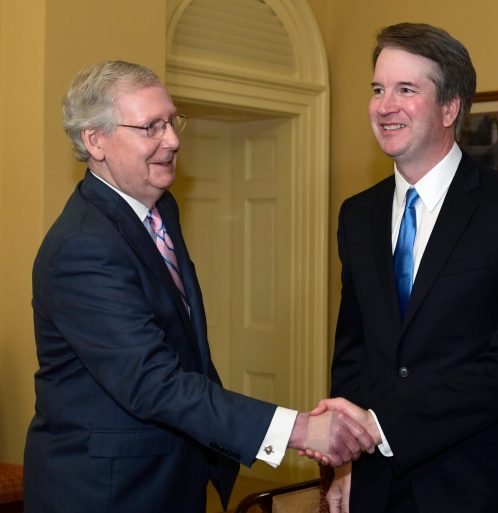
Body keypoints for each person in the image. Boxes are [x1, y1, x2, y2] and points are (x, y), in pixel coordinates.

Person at [24, 60, 374, 513]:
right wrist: (300, 429)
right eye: (150, 127)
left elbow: (187, 353)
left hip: (169, 478)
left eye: (171, 121)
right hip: (107, 492)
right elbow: (153, 382)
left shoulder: (157, 210)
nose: (172, 140)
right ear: (95, 140)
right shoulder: (82, 248)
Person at [315, 23, 498, 513]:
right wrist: (347, 460)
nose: (385, 105)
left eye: (406, 90)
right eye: (378, 90)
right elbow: (353, 349)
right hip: (377, 481)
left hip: (476, 482)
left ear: (450, 108)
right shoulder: (357, 214)